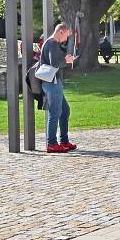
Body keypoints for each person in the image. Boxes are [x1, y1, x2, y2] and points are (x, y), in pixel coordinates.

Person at [41, 23, 78, 153]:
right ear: (61, 32)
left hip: (54, 82)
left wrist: (65, 59)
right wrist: (66, 60)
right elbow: (54, 63)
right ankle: (51, 143)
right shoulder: (52, 43)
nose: (66, 39)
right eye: (66, 36)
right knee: (55, 112)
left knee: (65, 110)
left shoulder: (53, 44)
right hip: (52, 82)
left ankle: (64, 141)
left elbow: (56, 61)